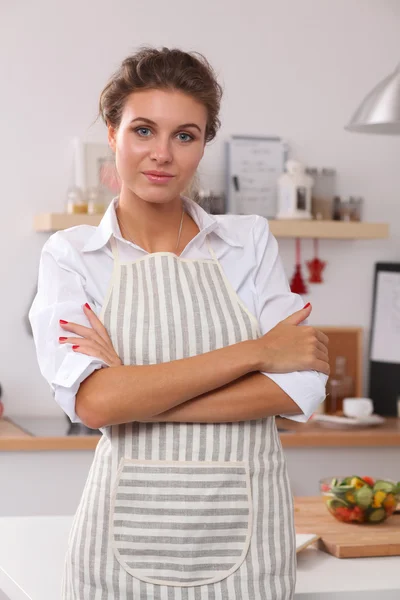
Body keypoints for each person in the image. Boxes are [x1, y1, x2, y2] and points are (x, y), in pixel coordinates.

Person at [29, 46, 329, 600]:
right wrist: (258, 354)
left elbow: (303, 386)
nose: (161, 155)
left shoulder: (247, 241)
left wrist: (136, 394)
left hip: (248, 541)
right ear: (113, 135)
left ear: (203, 145)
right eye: (144, 130)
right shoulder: (73, 255)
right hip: (118, 549)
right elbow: (94, 403)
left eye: (185, 136)